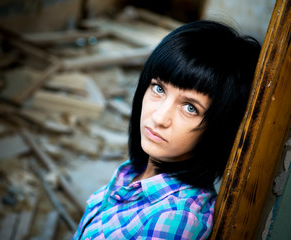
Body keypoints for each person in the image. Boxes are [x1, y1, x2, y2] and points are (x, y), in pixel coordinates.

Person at [72, 20, 261, 239]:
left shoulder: (176, 219)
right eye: (158, 88)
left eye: (190, 108)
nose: (159, 117)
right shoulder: (136, 172)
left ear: (218, 127)